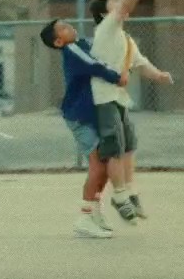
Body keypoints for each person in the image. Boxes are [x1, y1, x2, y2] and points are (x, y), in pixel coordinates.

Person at [88, 0, 176, 224]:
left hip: (118, 98)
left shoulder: (126, 39)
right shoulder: (106, 28)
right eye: (115, 1)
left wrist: (159, 75)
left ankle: (129, 191)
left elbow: (140, 63)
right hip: (103, 98)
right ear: (105, 12)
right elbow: (126, 5)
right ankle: (119, 196)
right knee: (114, 148)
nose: (121, 3)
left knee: (129, 146)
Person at [39, 18, 129, 239]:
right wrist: (116, 77)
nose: (70, 26)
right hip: (79, 117)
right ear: (58, 42)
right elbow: (94, 66)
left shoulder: (81, 45)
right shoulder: (72, 50)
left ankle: (95, 212)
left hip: (93, 114)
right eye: (63, 27)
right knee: (97, 166)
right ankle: (84, 218)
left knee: (105, 165)